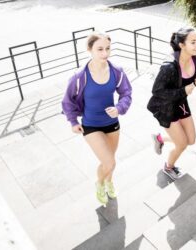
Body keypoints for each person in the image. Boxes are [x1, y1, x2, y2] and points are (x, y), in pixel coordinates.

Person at [62, 32, 132, 205]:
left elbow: (126, 93)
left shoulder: (117, 71)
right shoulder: (79, 77)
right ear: (89, 50)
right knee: (109, 162)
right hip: (91, 125)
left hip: (112, 124)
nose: (105, 53)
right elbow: (67, 101)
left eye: (107, 48)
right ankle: (100, 184)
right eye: (99, 49)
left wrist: (119, 108)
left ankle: (109, 181)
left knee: (110, 162)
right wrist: (73, 122)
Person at [147, 27, 196, 180]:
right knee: (182, 144)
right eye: (193, 42)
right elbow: (157, 92)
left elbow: (192, 79)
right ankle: (168, 167)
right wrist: (183, 91)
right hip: (165, 107)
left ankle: (160, 139)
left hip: (181, 103)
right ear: (182, 45)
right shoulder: (169, 67)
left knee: (190, 140)